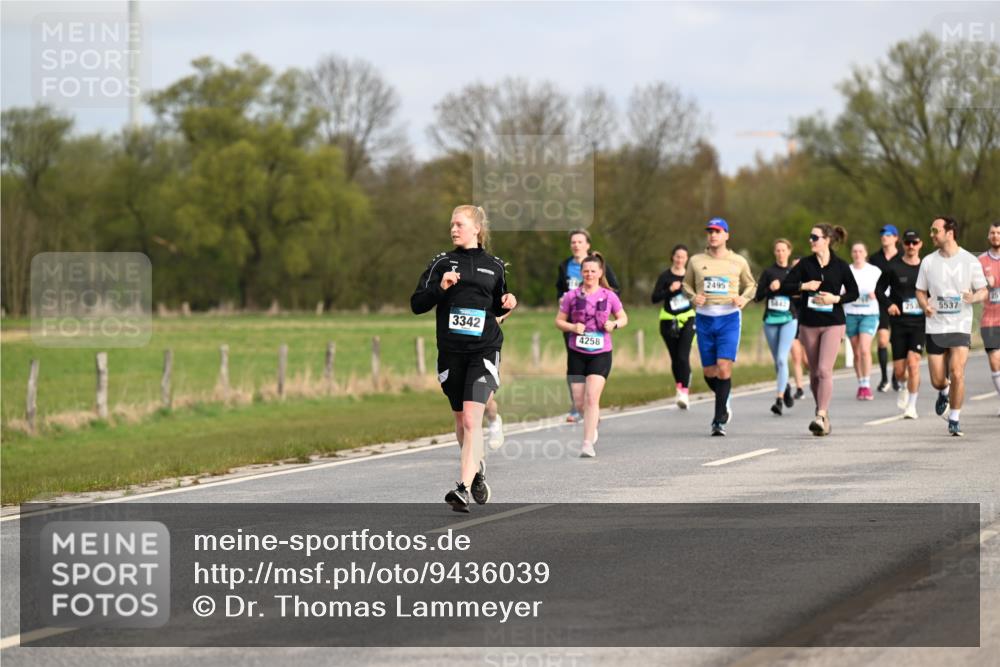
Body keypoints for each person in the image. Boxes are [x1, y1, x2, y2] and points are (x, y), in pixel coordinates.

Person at [411, 205, 517, 512]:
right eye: (451, 225)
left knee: (472, 419)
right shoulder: (441, 262)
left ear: (476, 229)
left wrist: (509, 302)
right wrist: (441, 288)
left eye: (459, 224)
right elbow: (417, 304)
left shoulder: (495, 266)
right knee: (461, 421)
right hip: (451, 353)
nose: (453, 229)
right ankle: (477, 470)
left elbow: (498, 306)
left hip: (484, 350)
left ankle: (462, 488)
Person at [782, 223, 859, 436]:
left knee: (825, 370)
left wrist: (835, 298)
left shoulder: (840, 266)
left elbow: (854, 292)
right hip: (809, 323)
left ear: (827, 240)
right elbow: (785, 286)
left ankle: (821, 414)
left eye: (815, 237)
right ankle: (821, 413)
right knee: (815, 373)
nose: (811, 241)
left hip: (834, 322)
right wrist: (804, 286)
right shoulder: (805, 265)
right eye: (810, 237)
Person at [682, 218, 757, 436]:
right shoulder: (696, 261)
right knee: (709, 372)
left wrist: (744, 298)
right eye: (710, 232)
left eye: (717, 231)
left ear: (726, 235)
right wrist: (693, 297)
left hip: (729, 318)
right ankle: (725, 398)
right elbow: (686, 284)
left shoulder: (738, 261)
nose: (713, 235)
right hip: (704, 318)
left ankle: (718, 420)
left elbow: (751, 285)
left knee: (724, 367)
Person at [916, 216, 988, 437]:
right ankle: (944, 391)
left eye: (935, 230)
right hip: (936, 326)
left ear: (949, 233)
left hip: (960, 324)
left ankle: (954, 418)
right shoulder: (928, 261)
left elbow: (983, 290)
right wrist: (925, 306)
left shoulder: (969, 261)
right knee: (938, 381)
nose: (931, 234)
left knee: (957, 372)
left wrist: (973, 297)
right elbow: (920, 291)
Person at [555, 252, 628, 457]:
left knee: (591, 398)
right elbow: (559, 321)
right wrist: (572, 327)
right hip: (577, 353)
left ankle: (587, 443)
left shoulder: (609, 296)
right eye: (586, 271)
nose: (589, 274)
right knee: (579, 402)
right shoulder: (571, 296)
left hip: (601, 353)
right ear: (581, 273)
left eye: (593, 271)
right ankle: (591, 424)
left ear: (600, 272)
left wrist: (614, 324)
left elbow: (623, 318)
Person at [556, 229, 620, 423]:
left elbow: (614, 289)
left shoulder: (597, 264)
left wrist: (604, 308)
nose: (576, 245)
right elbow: (559, 289)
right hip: (573, 322)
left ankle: (591, 403)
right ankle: (577, 405)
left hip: (597, 325)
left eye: (580, 242)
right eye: (573, 242)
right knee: (574, 363)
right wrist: (564, 301)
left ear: (587, 245)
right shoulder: (565, 265)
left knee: (594, 367)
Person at [875, 229, 925, 419]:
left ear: (920, 244)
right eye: (908, 243)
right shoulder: (893, 267)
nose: (911, 246)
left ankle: (911, 406)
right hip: (899, 323)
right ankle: (903, 386)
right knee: (899, 372)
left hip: (919, 323)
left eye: (914, 242)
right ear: (903, 244)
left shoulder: (926, 268)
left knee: (914, 363)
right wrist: (889, 304)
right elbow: (878, 290)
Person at [754, 238, 798, 415]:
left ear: (789, 251)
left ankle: (779, 400)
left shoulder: (794, 272)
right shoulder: (768, 272)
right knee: (777, 362)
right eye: (777, 250)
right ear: (774, 252)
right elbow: (757, 297)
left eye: (783, 250)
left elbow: (801, 295)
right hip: (770, 320)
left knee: (781, 358)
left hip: (789, 319)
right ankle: (785, 387)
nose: (780, 253)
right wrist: (769, 289)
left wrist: (786, 288)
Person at [651, 244, 696, 409]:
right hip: (668, 320)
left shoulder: (691, 276)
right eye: (677, 256)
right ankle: (679, 385)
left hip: (688, 318)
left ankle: (684, 392)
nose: (680, 260)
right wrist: (670, 289)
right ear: (672, 257)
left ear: (687, 259)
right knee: (675, 358)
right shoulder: (665, 276)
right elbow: (654, 298)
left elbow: (699, 295)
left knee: (683, 356)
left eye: (683, 257)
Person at [844, 242, 882, 400]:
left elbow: (885, 290)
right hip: (851, 314)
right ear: (852, 254)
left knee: (865, 349)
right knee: (857, 353)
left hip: (869, 314)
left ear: (865, 253)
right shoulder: (846, 270)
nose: (857, 254)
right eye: (855, 251)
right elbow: (840, 291)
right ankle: (861, 384)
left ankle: (866, 384)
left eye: (860, 251)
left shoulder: (874, 271)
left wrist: (876, 294)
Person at [869, 225, 900, 392]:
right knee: (882, 340)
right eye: (882, 234)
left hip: (899, 302)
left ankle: (896, 377)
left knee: (897, 341)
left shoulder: (903, 256)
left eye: (888, 234)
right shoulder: (874, 258)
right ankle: (884, 378)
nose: (884, 237)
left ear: (895, 238)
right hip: (881, 303)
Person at [979, 222, 1000, 416]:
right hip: (990, 321)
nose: (995, 236)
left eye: (999, 233)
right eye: (992, 233)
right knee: (995, 361)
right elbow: (973, 287)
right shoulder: (980, 261)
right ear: (988, 236)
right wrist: (986, 284)